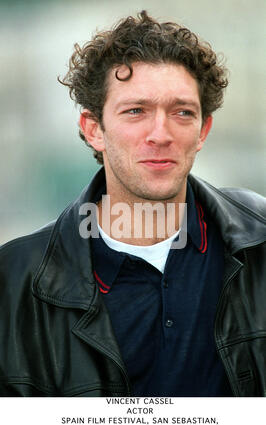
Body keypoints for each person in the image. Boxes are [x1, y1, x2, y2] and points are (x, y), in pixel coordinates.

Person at [0, 11, 265, 397]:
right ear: (93, 129)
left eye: (182, 112)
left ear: (203, 130)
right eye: (136, 111)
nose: (161, 134)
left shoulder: (259, 242)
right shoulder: (14, 281)